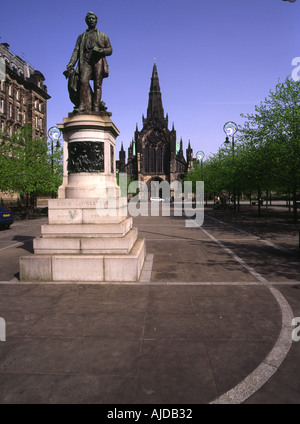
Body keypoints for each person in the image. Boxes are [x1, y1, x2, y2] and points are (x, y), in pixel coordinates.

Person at [64, 12, 112, 113]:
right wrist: (71, 64)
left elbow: (110, 50)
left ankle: (95, 107)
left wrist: (100, 51)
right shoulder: (81, 37)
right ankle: (83, 105)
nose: (91, 20)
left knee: (97, 85)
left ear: (96, 20)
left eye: (93, 18)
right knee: (83, 82)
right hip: (85, 60)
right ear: (86, 21)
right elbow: (76, 51)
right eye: (89, 19)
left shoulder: (103, 36)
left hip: (98, 60)